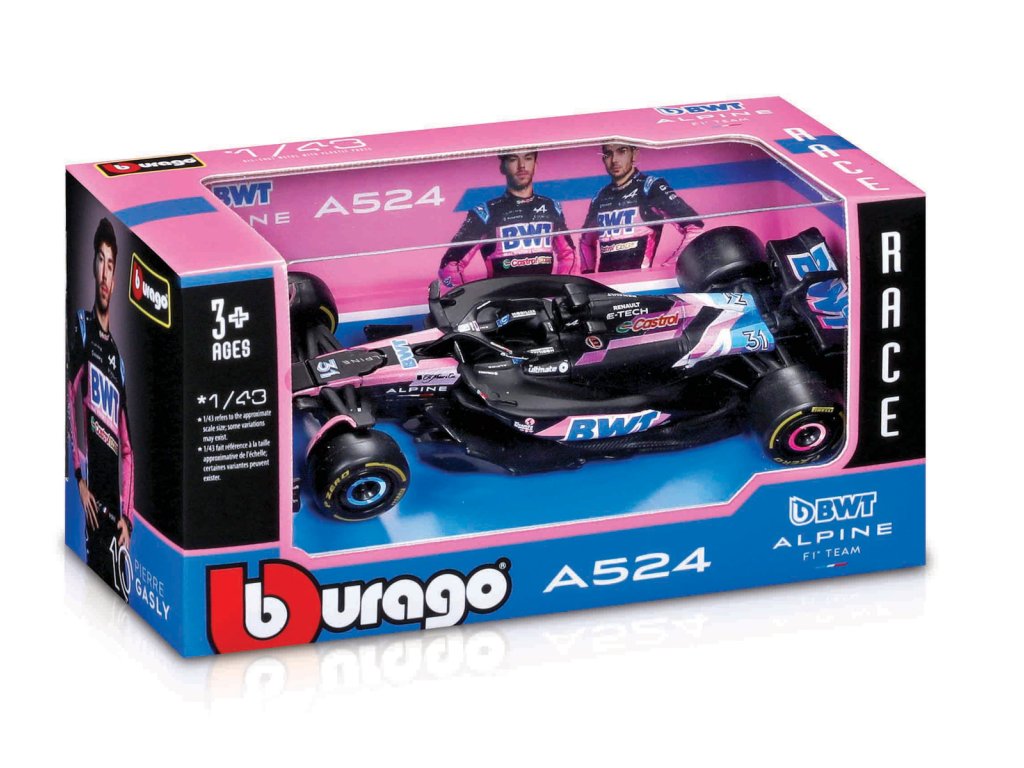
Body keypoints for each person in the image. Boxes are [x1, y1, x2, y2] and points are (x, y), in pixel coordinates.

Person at [68, 218, 134, 600]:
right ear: (93, 265)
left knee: (120, 606)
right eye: (100, 260)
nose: (106, 273)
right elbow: (68, 396)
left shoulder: (119, 361)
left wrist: (128, 518)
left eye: (112, 264)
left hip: (116, 521)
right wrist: (78, 477)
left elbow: (128, 450)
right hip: (90, 508)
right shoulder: (81, 327)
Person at [438, 151, 576, 287]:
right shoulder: (485, 212)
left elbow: (569, 255)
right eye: (513, 159)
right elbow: (449, 266)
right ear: (502, 167)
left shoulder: (551, 206)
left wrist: (562, 292)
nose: (522, 165)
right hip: (502, 300)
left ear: (535, 164)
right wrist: (468, 297)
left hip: (543, 298)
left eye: (528, 158)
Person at [580, 144, 703, 273]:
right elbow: (585, 242)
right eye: (608, 154)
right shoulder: (600, 195)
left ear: (634, 154)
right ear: (603, 159)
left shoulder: (650, 186)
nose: (614, 160)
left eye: (622, 151)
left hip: (639, 282)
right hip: (605, 284)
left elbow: (696, 228)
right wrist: (588, 277)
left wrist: (670, 267)